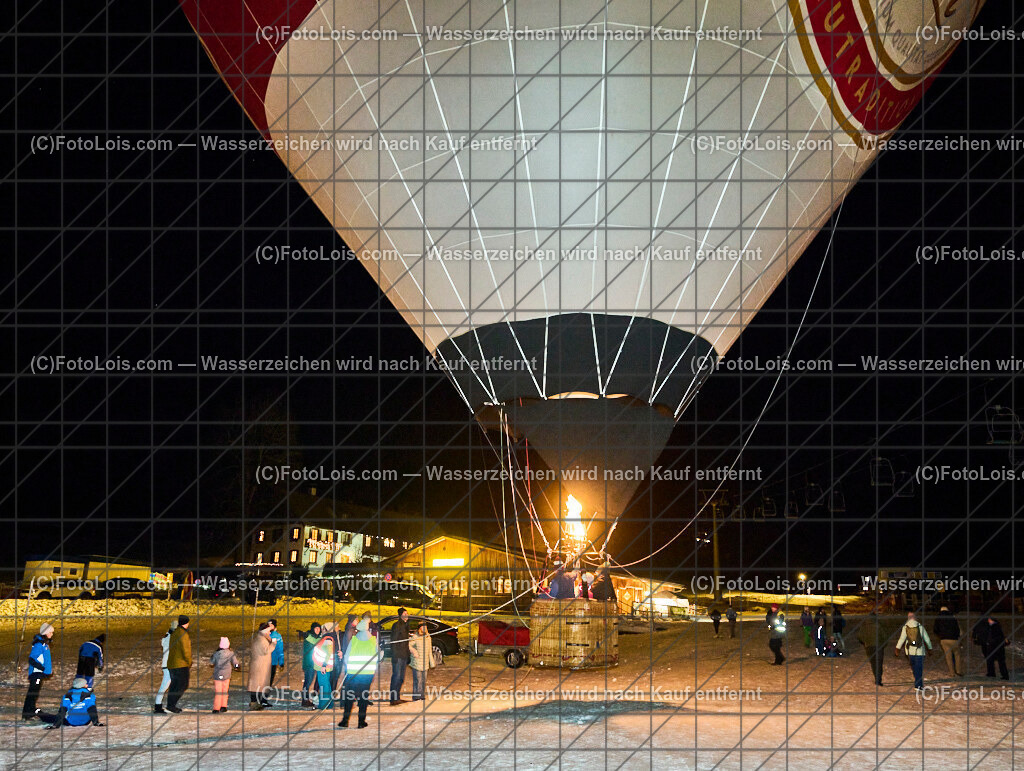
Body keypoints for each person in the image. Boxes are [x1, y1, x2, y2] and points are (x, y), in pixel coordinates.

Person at [339, 614, 379, 729]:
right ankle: (361, 722)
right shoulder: (373, 640)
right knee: (363, 698)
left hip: (353, 674)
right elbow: (378, 656)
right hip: (367, 675)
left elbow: (346, 657)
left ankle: (345, 721)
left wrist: (348, 667)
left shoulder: (354, 640)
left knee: (349, 697)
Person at [22, 622, 54, 721]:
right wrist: (42, 669)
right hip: (37, 673)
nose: (52, 634)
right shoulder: (39, 645)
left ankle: (29, 712)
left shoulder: (44, 644)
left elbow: (45, 659)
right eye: (51, 632)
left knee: (34, 693)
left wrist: (48, 670)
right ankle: (28, 713)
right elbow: (32, 659)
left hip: (40, 673)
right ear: (46, 632)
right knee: (32, 693)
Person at [895, 611, 933, 690]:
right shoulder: (920, 626)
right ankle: (918, 685)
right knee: (919, 668)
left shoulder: (905, 627)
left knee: (915, 668)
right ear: (915, 618)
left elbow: (902, 639)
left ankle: (918, 683)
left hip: (910, 651)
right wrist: (930, 648)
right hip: (919, 651)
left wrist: (897, 648)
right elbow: (927, 639)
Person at [165, 615, 192, 713]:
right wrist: (189, 662)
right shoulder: (183, 634)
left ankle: (170, 704)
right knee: (182, 685)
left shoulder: (175, 632)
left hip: (172, 663)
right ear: (186, 623)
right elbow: (186, 650)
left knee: (174, 685)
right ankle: (171, 705)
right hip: (181, 664)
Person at [856, 609, 890, 686]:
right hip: (878, 646)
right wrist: (883, 644)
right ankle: (878, 680)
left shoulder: (864, 626)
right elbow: (884, 636)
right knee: (879, 663)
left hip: (869, 647)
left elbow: (859, 636)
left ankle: (876, 677)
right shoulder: (878, 625)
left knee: (873, 663)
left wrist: (865, 642)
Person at [248, 622, 276, 710]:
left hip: (260, 665)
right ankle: (254, 704)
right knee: (256, 685)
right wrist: (273, 643)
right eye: (268, 631)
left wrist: (269, 637)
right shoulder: (261, 640)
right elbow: (266, 650)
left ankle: (257, 703)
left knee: (258, 685)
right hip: (260, 666)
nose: (270, 633)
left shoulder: (260, 637)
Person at [209, 637, 240, 713]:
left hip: (218, 675)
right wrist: (237, 667)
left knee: (218, 691)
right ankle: (223, 706)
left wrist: (212, 661)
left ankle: (216, 708)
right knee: (225, 691)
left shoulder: (216, 654)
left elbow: (211, 663)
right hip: (227, 675)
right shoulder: (231, 653)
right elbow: (235, 663)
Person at [154, 620, 177, 713]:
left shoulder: (167, 636)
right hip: (169, 665)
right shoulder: (172, 638)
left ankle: (161, 705)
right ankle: (158, 706)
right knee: (165, 686)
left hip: (166, 664)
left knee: (167, 685)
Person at [932, 606, 963, 677]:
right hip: (954, 639)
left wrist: (940, 635)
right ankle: (958, 671)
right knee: (957, 655)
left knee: (948, 657)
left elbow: (935, 629)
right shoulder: (953, 617)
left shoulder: (938, 618)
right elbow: (957, 628)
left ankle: (952, 673)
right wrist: (957, 636)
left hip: (944, 639)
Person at [312, 622, 336, 710]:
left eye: (323, 628)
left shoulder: (327, 640)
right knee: (327, 685)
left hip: (323, 667)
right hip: (324, 666)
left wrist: (324, 665)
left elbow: (328, 653)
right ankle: (329, 704)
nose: (321, 630)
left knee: (324, 686)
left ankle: (323, 705)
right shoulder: (327, 638)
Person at [389, 608, 411, 705]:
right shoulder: (397, 625)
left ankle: (397, 697)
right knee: (396, 677)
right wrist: (394, 655)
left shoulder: (406, 626)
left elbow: (406, 643)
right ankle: (393, 699)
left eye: (407, 613)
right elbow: (393, 642)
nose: (407, 615)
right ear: (400, 615)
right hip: (398, 656)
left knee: (401, 677)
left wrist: (408, 655)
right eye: (405, 613)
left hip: (404, 655)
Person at [408, 622, 434, 701]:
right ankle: (416, 696)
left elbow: (429, 650)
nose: (424, 628)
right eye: (423, 627)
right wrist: (414, 651)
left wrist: (431, 662)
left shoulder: (428, 637)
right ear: (419, 628)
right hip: (417, 662)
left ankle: (421, 695)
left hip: (425, 662)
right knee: (418, 680)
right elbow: (409, 645)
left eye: (425, 627)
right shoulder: (415, 637)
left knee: (423, 680)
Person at [300, 621, 322, 708]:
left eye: (319, 628)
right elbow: (316, 642)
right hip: (310, 664)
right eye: (316, 628)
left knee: (308, 682)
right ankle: (305, 701)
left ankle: (306, 700)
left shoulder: (313, 637)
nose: (317, 630)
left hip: (313, 663)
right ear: (313, 629)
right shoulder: (310, 638)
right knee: (308, 682)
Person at [267, 619, 284, 687]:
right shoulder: (264, 634)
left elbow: (280, 650)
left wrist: (281, 662)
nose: (270, 627)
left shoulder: (278, 636)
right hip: (264, 660)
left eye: (271, 625)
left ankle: (267, 689)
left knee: (270, 676)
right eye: (268, 625)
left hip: (273, 661)